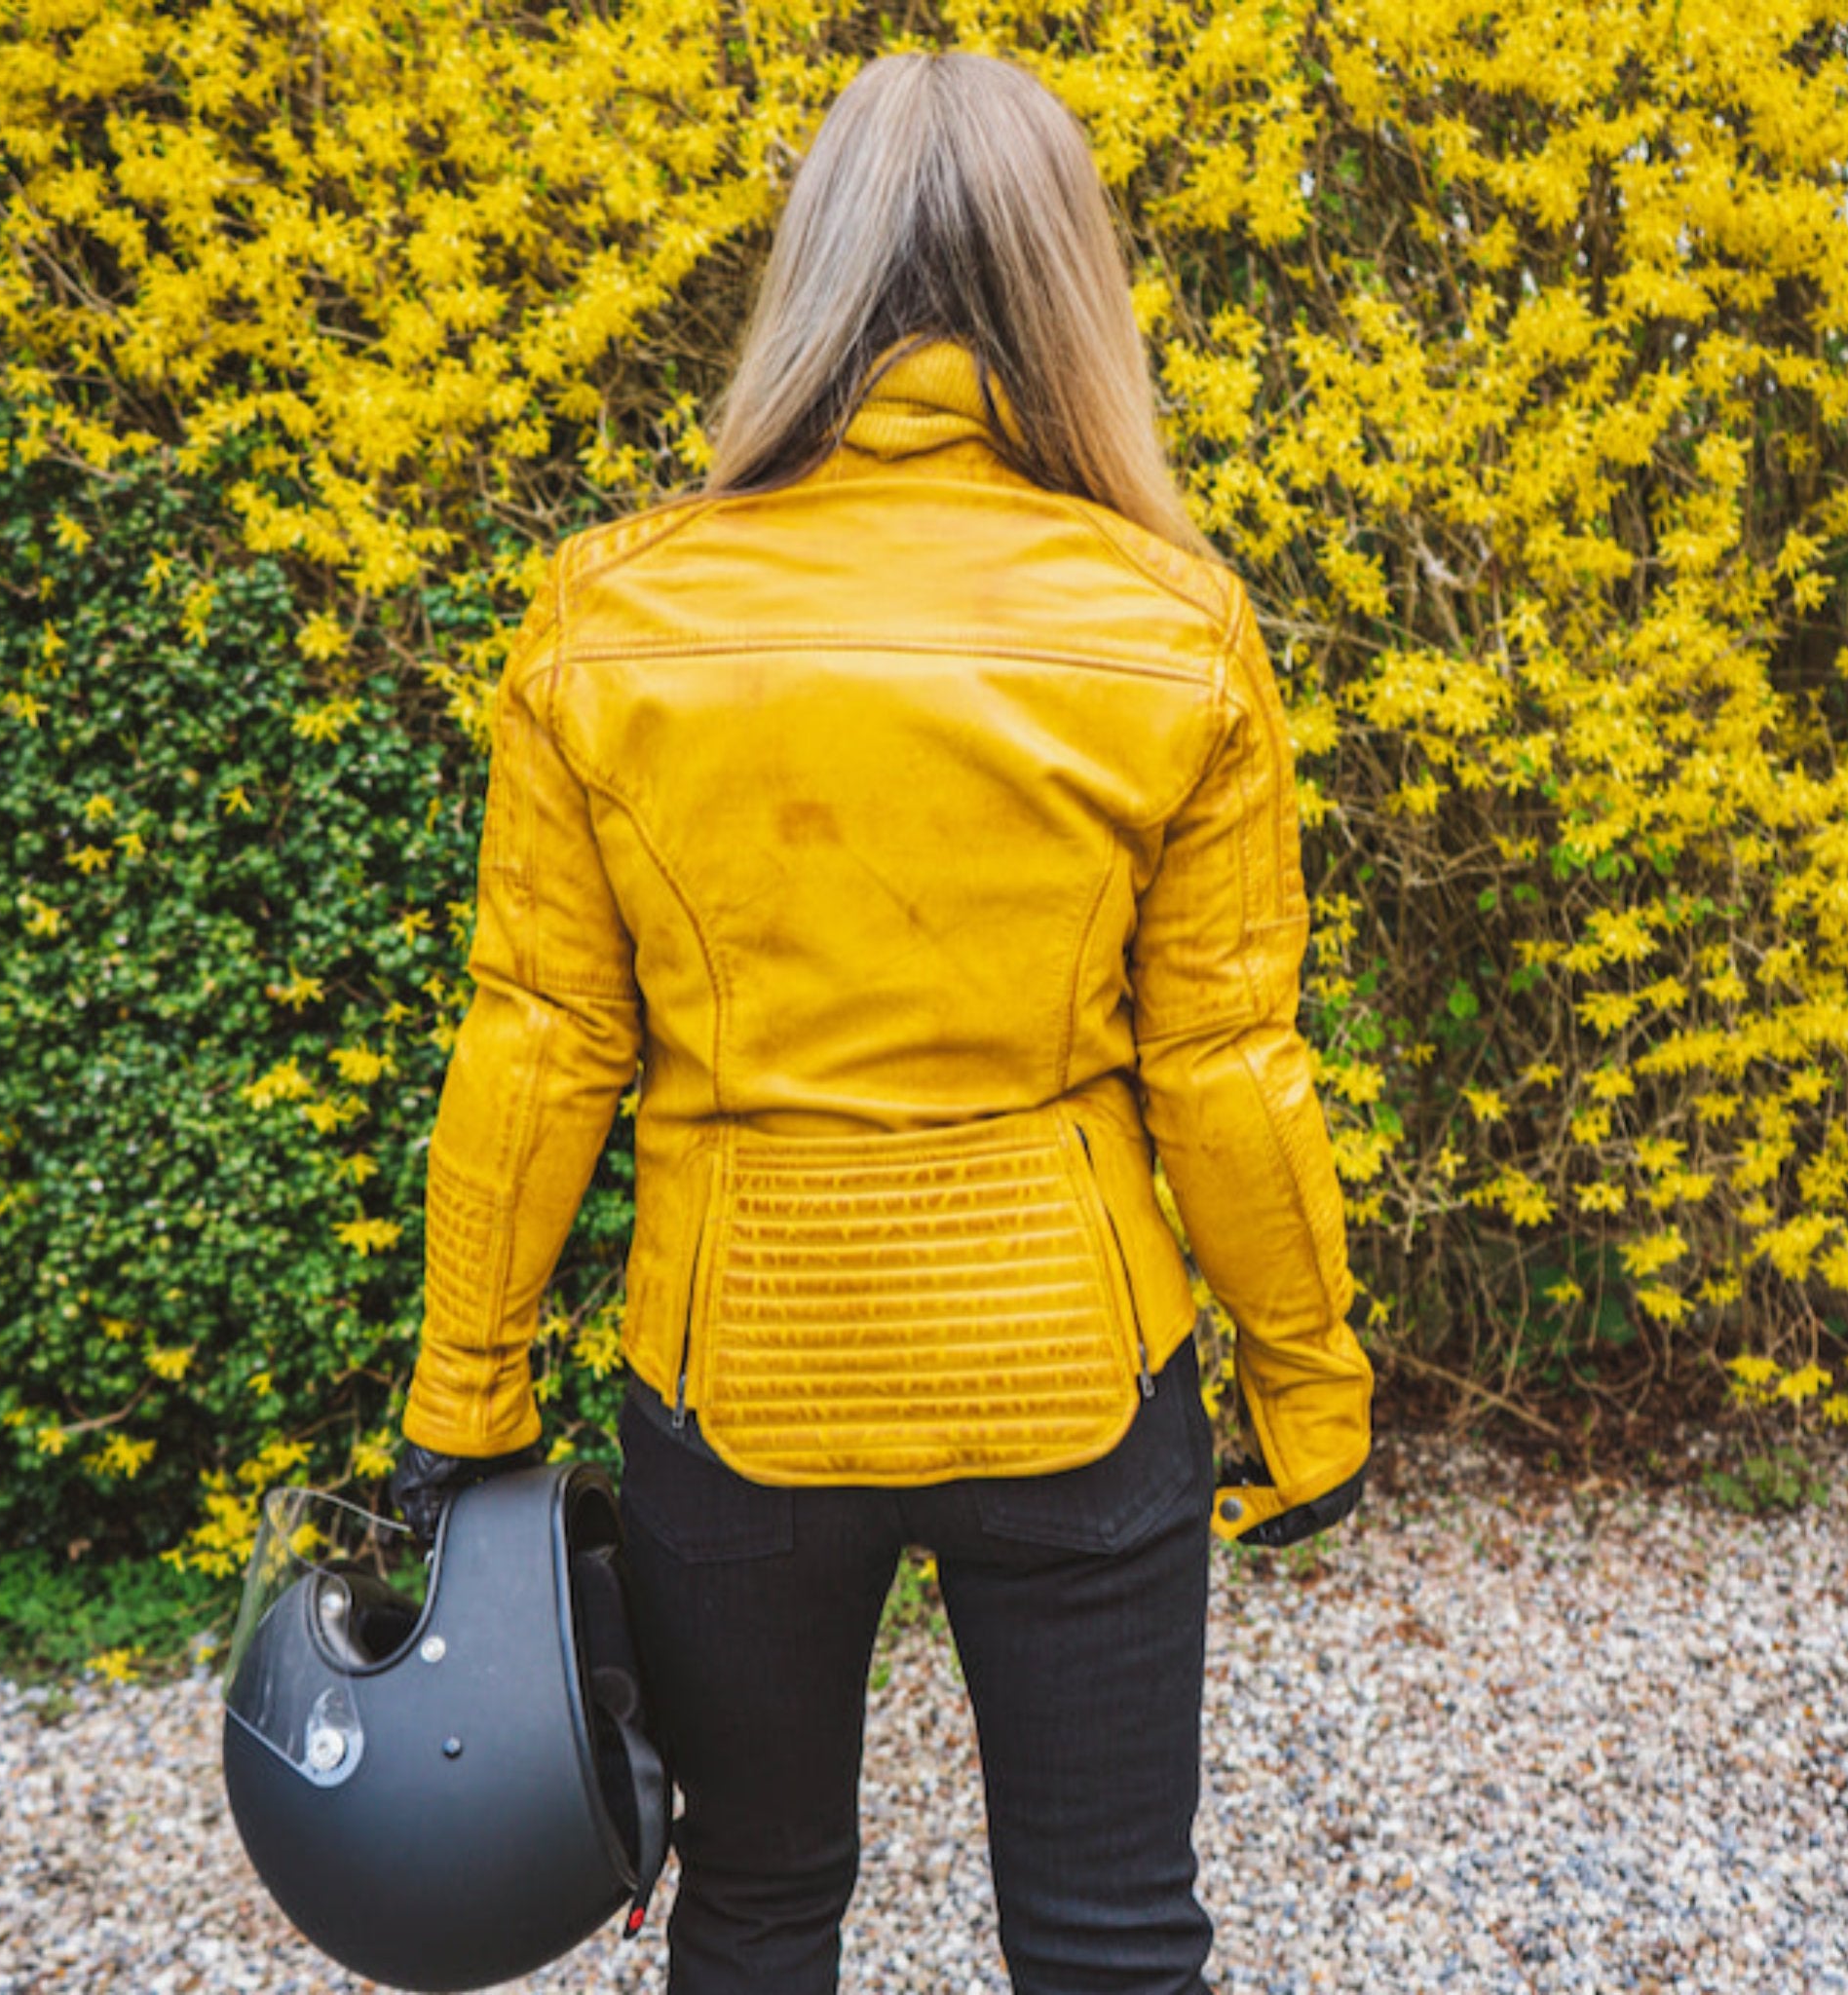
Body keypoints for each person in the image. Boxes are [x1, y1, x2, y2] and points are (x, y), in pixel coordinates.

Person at [392, 49, 1373, 1995]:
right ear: (1069, 285)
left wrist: (464, 1402)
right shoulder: (1173, 624)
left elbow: (539, 1044)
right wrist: (1309, 1384)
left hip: (736, 1376)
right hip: (1078, 1374)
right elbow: (1222, 1068)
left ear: (809, 275)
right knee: (1111, 1938)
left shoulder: (610, 611)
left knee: (756, 1908)